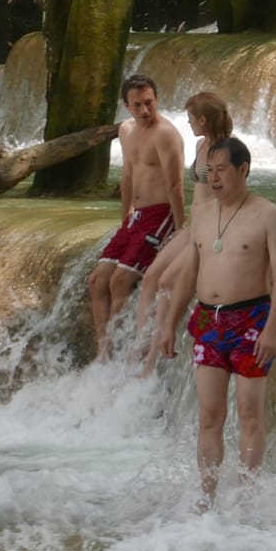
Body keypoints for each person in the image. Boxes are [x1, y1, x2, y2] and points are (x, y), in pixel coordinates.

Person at [148, 137, 276, 507]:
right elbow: (189, 272)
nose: (213, 178)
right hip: (207, 321)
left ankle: (246, 497)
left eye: (221, 170)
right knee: (210, 415)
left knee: (249, 413)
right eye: (209, 171)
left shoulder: (268, 214)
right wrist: (169, 324)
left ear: (243, 169)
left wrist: (271, 330)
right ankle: (207, 497)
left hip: (251, 320)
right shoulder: (203, 214)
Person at [132, 91, 233, 374]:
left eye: (190, 118)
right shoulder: (202, 144)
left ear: (202, 119)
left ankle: (153, 357)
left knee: (166, 282)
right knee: (151, 276)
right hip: (194, 225)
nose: (187, 124)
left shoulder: (227, 150)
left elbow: (230, 197)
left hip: (211, 228)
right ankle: (140, 344)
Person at [88, 74, 187, 361]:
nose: (144, 111)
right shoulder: (126, 130)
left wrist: (180, 232)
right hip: (136, 216)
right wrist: (125, 218)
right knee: (97, 280)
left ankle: (120, 352)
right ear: (125, 106)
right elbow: (128, 174)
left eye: (149, 103)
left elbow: (175, 185)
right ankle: (102, 350)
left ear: (157, 100)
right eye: (137, 105)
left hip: (160, 214)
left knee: (119, 280)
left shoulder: (166, 134)